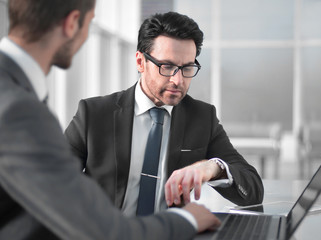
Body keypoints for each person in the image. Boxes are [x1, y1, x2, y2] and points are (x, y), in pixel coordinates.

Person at [0, 1, 221, 239]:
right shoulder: (19, 109)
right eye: (90, 22)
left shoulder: (13, 93)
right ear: (72, 22)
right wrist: (188, 219)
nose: (177, 79)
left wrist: (212, 166)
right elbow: (106, 232)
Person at [65, 11, 264, 216]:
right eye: (167, 66)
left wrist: (212, 168)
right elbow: (51, 181)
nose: (178, 80)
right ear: (141, 62)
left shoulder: (202, 118)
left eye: (187, 68)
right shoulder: (94, 115)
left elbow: (254, 190)